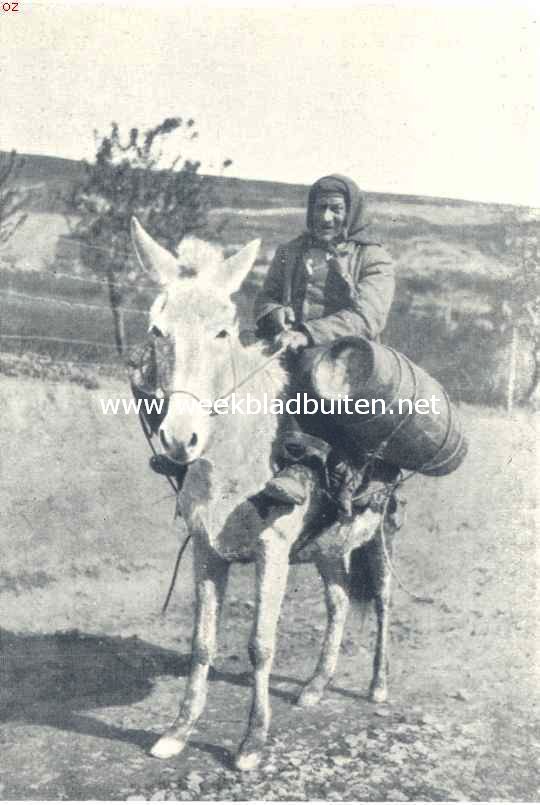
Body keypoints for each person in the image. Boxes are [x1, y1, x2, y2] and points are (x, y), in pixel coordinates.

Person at [254, 173, 396, 514]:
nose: (325, 218)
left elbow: (368, 318)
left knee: (310, 367)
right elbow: (265, 298)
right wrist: (277, 314)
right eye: (319, 208)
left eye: (335, 209)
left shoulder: (374, 258)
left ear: (351, 212)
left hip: (350, 354)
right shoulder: (291, 252)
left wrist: (307, 333)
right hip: (289, 341)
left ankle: (305, 465)